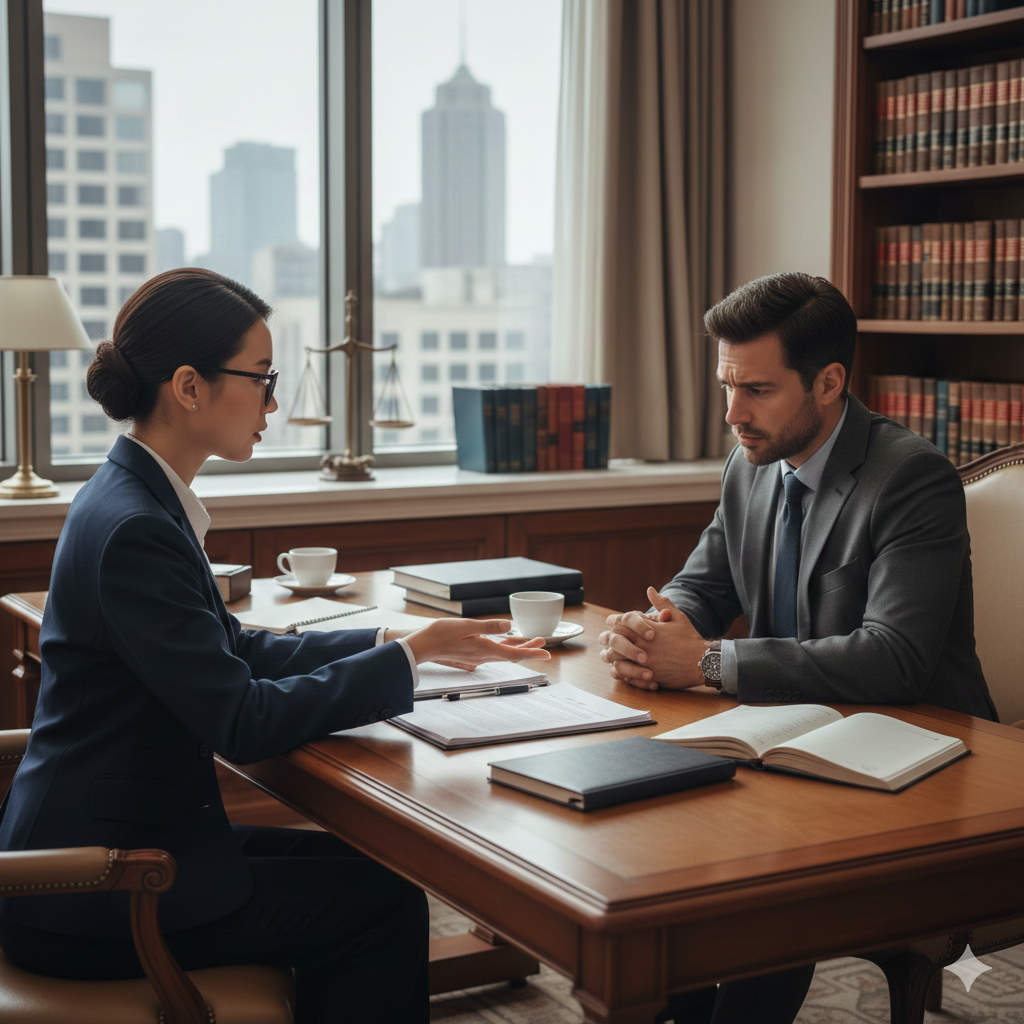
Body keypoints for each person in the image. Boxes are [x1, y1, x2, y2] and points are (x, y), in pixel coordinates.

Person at [0, 267, 550, 1024]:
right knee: (380, 908)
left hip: (132, 839)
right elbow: (242, 720)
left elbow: (236, 652)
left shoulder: (135, 497)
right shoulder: (136, 528)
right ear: (188, 387)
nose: (273, 403)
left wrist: (398, 641)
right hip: (96, 890)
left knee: (377, 871)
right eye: (262, 379)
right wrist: (404, 661)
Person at [598, 272, 996, 1024]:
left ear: (829, 382)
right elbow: (703, 585)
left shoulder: (911, 477)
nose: (732, 414)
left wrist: (708, 663)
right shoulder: (750, 464)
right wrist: (652, 629)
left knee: (761, 879)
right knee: (659, 857)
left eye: (756, 390)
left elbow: (894, 656)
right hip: (790, 736)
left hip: (915, 755)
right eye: (727, 386)